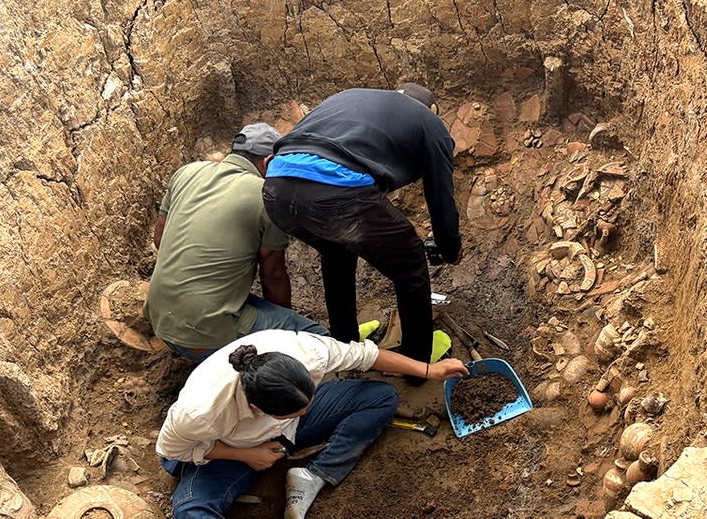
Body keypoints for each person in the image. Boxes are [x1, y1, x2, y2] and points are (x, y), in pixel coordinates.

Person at [156, 329, 469, 518]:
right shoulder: (200, 412)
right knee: (191, 509)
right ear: (256, 408)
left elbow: (365, 356)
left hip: (280, 433)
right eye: (294, 412)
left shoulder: (305, 352)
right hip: (233, 446)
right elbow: (170, 450)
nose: (305, 412)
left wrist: (429, 370)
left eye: (306, 405)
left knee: (381, 398)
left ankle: (313, 475)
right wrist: (245, 455)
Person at [261, 83, 461, 370]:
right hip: (336, 190)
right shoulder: (429, 122)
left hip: (277, 188)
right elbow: (441, 196)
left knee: (337, 251)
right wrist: (450, 249)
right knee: (411, 263)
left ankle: (345, 346)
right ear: (431, 110)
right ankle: (417, 366)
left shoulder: (351, 98)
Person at [146, 123, 327, 363]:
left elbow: (160, 239)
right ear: (268, 161)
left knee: (230, 303)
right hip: (204, 335)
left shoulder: (186, 173)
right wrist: (284, 335)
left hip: (160, 321)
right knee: (317, 338)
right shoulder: (266, 195)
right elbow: (272, 275)